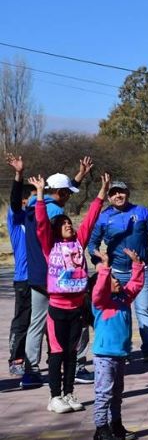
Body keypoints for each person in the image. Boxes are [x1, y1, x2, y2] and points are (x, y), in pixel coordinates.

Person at [30, 172, 109, 413]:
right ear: (56, 231)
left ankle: (68, 393)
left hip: (77, 308)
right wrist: (41, 194)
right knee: (57, 352)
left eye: (69, 224)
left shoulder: (78, 243)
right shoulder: (49, 246)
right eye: (64, 224)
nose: (68, 225)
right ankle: (54, 397)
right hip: (57, 309)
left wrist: (102, 192)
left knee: (72, 354)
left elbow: (91, 219)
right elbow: (42, 222)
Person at [13, 157, 94, 389]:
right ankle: (77, 365)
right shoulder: (55, 210)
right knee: (78, 321)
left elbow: (62, 192)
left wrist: (78, 176)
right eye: (68, 192)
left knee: (36, 324)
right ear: (61, 193)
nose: (70, 196)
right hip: (60, 278)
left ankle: (31, 371)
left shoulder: (33, 205)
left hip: (36, 275)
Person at [88, 181, 148, 361]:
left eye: (121, 192)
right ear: (109, 197)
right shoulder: (104, 217)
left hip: (141, 269)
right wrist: (98, 261)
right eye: (114, 193)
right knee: (122, 312)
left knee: (144, 309)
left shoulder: (141, 211)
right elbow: (92, 244)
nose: (118, 196)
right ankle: (124, 350)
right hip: (117, 274)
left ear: (127, 193)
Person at [90, 248, 144, 440]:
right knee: (103, 393)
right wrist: (104, 268)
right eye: (111, 279)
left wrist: (137, 264)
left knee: (117, 393)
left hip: (120, 355)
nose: (116, 280)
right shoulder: (100, 303)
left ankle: (116, 424)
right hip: (104, 356)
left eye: (115, 278)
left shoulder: (123, 299)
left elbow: (136, 285)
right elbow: (98, 291)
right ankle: (101, 428)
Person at [5, 153, 37, 376]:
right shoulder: (17, 218)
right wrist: (19, 174)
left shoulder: (39, 218)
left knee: (43, 323)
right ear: (26, 201)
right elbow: (15, 200)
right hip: (24, 278)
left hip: (43, 277)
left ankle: (40, 360)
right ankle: (16, 360)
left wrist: (79, 177)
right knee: (22, 321)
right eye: (34, 197)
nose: (38, 200)